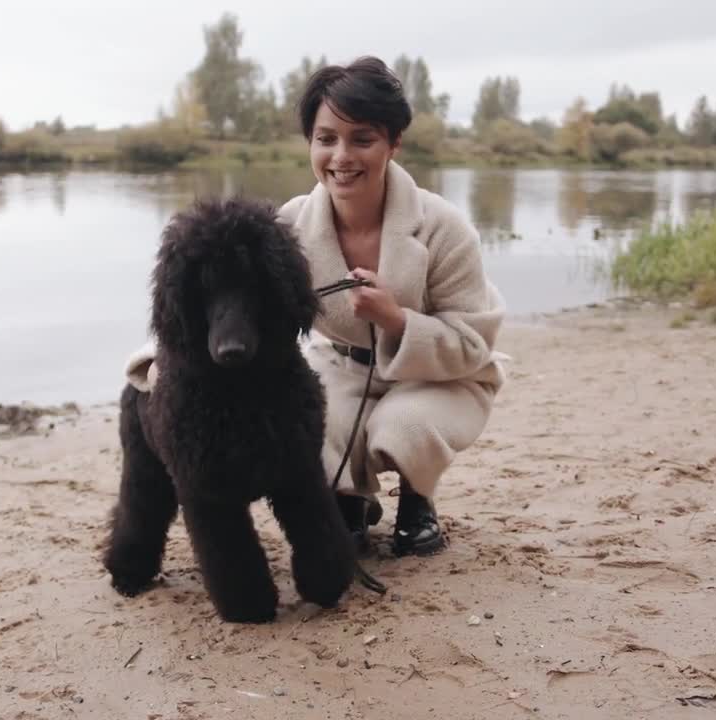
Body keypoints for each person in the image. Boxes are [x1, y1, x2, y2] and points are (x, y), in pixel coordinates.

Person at [126, 55, 507, 557]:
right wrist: (160, 358)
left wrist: (396, 319)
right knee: (303, 427)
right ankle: (349, 502)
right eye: (326, 138)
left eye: (362, 139)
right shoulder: (289, 225)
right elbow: (227, 301)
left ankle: (418, 500)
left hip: (444, 375)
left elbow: (473, 343)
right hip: (344, 368)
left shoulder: (445, 227)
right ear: (310, 142)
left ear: (394, 143)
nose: (341, 156)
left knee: (400, 428)